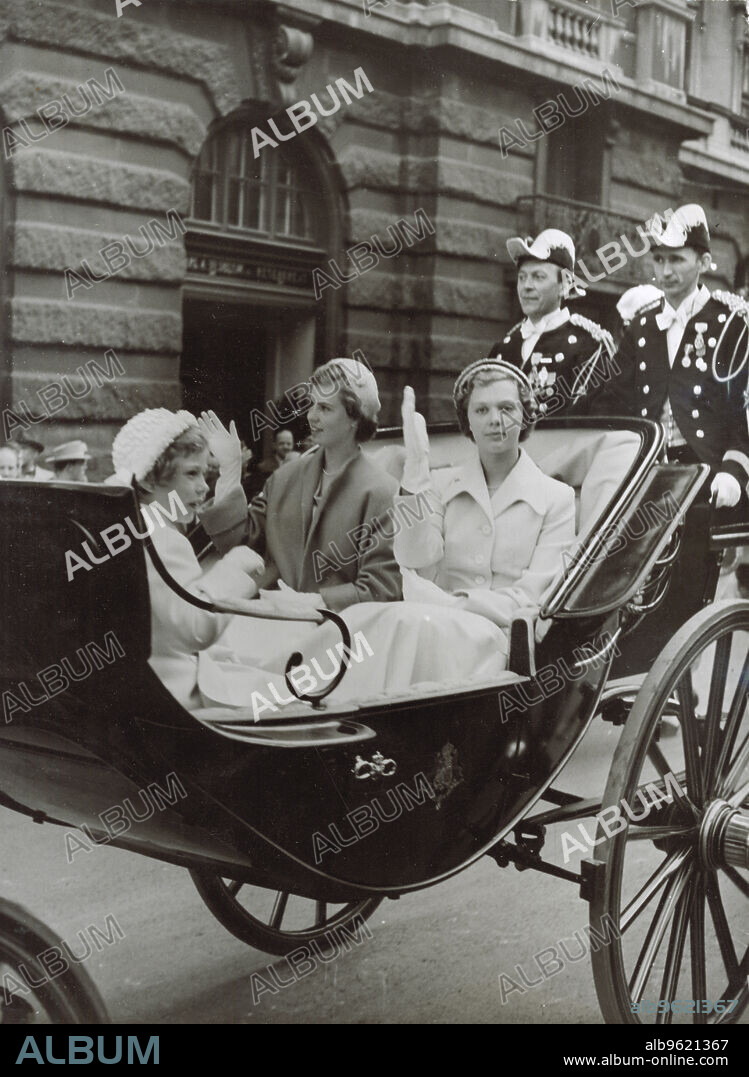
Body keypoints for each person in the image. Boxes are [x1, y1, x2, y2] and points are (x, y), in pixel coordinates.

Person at [595, 204, 749, 675]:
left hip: (706, 477)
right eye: (658, 260)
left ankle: (669, 679)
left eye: (676, 260)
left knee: (684, 588)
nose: (665, 271)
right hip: (649, 474)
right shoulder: (643, 324)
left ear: (704, 261)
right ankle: (629, 678)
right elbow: (613, 399)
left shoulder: (731, 322)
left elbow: (742, 410)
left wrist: (734, 470)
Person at [198, 359, 402, 613]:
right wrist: (230, 471)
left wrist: (317, 603)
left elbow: (381, 588)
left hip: (341, 630)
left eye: (325, 408)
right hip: (272, 624)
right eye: (312, 404)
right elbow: (243, 546)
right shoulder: (285, 477)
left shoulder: (382, 491)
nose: (311, 416)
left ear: (355, 417)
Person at [108, 408, 265, 710]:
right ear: (149, 480)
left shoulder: (125, 528)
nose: (204, 485)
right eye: (192, 473)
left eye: (205, 473)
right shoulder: (164, 538)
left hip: (138, 684)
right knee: (292, 689)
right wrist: (235, 566)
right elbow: (198, 629)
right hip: (176, 692)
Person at [488, 229, 615, 416]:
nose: (526, 286)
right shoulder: (505, 346)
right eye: (522, 277)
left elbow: (587, 423)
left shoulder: (588, 346)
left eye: (538, 277)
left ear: (564, 285)